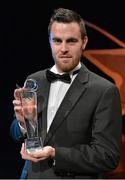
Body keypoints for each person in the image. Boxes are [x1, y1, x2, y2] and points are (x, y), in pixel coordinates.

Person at [10, 8, 122, 179]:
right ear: (49, 41)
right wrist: (22, 124)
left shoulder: (104, 90)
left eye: (71, 41)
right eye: (57, 41)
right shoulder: (34, 80)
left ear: (84, 42)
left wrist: (55, 154)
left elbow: (107, 156)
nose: (63, 49)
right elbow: (15, 133)